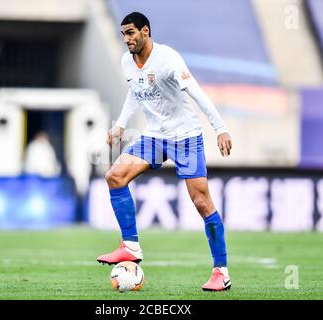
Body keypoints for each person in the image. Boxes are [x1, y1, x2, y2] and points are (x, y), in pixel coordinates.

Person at [97, 12, 233, 291]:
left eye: (131, 33)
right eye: (124, 34)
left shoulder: (167, 58)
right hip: (155, 136)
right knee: (115, 176)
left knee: (201, 202)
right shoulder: (127, 62)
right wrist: (120, 125)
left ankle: (221, 271)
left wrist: (220, 128)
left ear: (145, 31)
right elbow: (135, 92)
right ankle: (131, 246)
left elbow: (196, 92)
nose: (127, 39)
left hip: (185, 137)